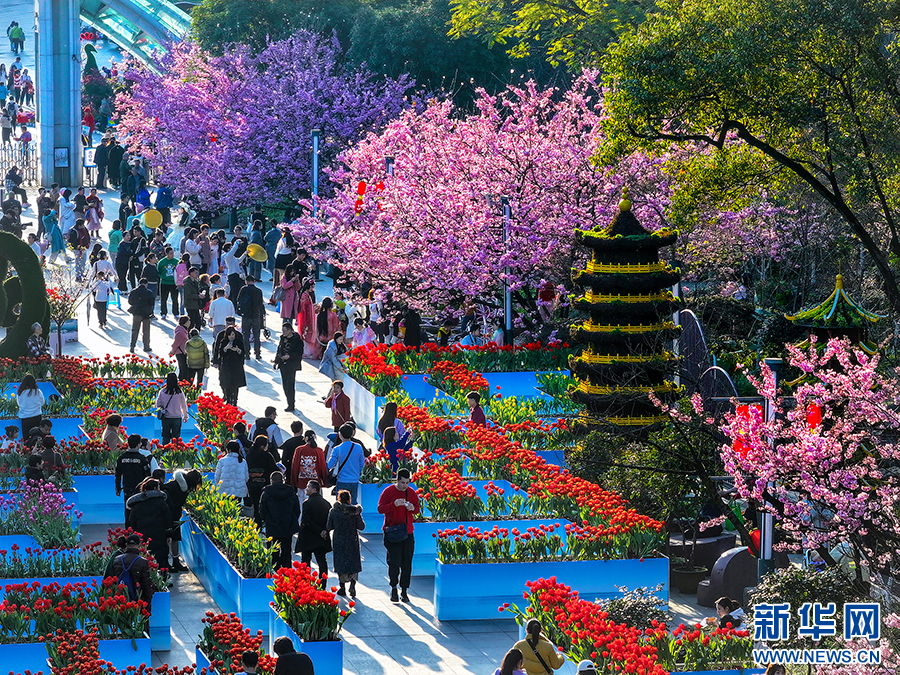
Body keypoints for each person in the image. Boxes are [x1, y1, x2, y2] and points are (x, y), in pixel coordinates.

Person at [377, 468, 420, 603]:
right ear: (397, 480)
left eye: (407, 483)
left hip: (407, 533)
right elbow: (380, 509)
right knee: (394, 562)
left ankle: (405, 590)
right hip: (392, 533)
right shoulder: (388, 492)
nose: (405, 486)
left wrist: (413, 508)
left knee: (407, 563)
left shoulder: (411, 493)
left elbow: (417, 509)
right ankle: (394, 587)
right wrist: (393, 504)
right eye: (402, 482)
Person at [162, 468, 203, 572]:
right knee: (169, 537)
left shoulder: (181, 485)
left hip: (173, 514)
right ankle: (167, 562)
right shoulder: (176, 487)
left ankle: (174, 561)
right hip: (168, 514)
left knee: (175, 537)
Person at [127, 478, 172, 571]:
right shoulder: (161, 502)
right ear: (156, 488)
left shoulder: (137, 503)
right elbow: (167, 518)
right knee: (162, 556)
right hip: (159, 533)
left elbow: (131, 521)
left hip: (143, 534)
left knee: (145, 556)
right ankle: (163, 578)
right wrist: (169, 533)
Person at [327, 489, 365, 597]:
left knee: (340, 563)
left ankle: (342, 587)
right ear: (349, 499)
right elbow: (361, 527)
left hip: (339, 540)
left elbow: (329, 526)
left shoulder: (334, 511)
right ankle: (352, 585)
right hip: (352, 540)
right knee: (353, 563)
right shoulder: (355, 511)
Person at [259, 470, 300, 569]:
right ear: (283, 480)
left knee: (273, 552)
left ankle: (274, 573)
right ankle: (286, 574)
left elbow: (262, 510)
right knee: (286, 552)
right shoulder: (291, 492)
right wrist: (292, 519)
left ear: (271, 480)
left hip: (272, 526)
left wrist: (266, 520)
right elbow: (297, 509)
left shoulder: (267, 493)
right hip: (288, 526)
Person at [105, 533, 155, 603]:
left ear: (126, 544)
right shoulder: (142, 562)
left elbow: (110, 578)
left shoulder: (116, 559)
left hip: (119, 597)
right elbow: (146, 584)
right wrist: (148, 600)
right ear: (139, 545)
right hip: (136, 599)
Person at [295, 479, 331, 576]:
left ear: (314, 490)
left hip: (308, 537)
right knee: (322, 561)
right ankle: (323, 584)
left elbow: (306, 521)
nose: (306, 489)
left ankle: (305, 582)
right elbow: (330, 521)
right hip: (321, 538)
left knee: (305, 561)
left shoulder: (307, 503)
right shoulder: (326, 504)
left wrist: (319, 530)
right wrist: (324, 531)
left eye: (308, 487)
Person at [115, 434, 152, 522]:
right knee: (140, 512)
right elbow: (147, 475)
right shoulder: (142, 459)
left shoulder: (121, 458)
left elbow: (118, 474)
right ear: (139, 444)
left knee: (128, 511)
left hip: (127, 489)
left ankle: (128, 531)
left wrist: (118, 487)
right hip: (140, 490)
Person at [326, 423, 366, 503]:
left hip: (342, 480)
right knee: (353, 502)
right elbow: (362, 463)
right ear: (352, 434)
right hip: (354, 480)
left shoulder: (337, 449)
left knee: (341, 504)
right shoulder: (358, 447)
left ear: (340, 434)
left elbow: (330, 465)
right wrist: (357, 473)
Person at [246, 434, 279, 523]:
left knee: (256, 505)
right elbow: (274, 469)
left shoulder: (249, 455)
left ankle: (257, 524)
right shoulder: (267, 455)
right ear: (262, 445)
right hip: (265, 484)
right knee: (265, 505)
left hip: (252, 484)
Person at [213, 324, 246, 406]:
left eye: (233, 335)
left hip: (236, 366)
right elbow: (219, 352)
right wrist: (226, 348)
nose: (232, 337)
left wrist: (238, 350)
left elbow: (243, 353)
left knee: (235, 384)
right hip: (226, 366)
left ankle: (234, 399)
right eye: (230, 335)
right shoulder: (223, 341)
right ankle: (228, 398)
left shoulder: (238, 341)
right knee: (226, 383)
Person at [275, 322, 303, 412]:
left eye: (285, 331)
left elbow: (299, 353)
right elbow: (279, 349)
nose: (283, 332)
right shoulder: (282, 338)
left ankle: (291, 404)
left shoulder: (297, 340)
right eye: (282, 331)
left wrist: (290, 356)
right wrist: (276, 361)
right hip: (283, 364)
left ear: (290, 330)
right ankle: (289, 401)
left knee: (290, 384)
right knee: (285, 385)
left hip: (292, 365)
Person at [156, 372, 189, 444]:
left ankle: (164, 452)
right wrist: (185, 416)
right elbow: (183, 405)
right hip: (177, 417)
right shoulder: (179, 392)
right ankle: (175, 453)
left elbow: (158, 404)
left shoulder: (163, 391)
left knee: (165, 437)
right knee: (176, 438)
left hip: (166, 418)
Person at [237, 275, 265, 359]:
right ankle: (257, 353)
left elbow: (238, 300)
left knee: (246, 335)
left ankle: (247, 353)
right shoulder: (258, 291)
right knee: (257, 336)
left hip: (246, 316)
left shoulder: (243, 289)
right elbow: (261, 304)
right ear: (254, 281)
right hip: (256, 315)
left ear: (246, 281)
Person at [128, 278, 155, 353]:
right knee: (146, 331)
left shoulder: (133, 291)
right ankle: (146, 347)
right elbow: (152, 303)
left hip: (136, 313)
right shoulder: (149, 292)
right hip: (146, 314)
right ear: (146, 284)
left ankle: (132, 346)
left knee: (135, 330)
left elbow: (130, 301)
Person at [157, 247, 179, 318]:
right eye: (171, 253)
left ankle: (176, 312)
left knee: (175, 299)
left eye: (173, 253)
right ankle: (163, 313)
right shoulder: (162, 262)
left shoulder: (176, 261)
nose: (172, 255)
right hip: (164, 283)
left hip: (174, 283)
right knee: (163, 299)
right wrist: (163, 277)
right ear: (167, 254)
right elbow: (159, 271)